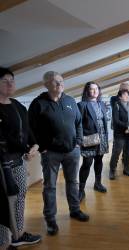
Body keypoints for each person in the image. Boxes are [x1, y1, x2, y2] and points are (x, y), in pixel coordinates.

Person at [28, 71, 89, 236]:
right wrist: (41, 147)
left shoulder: (70, 101)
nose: (59, 83)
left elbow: (78, 123)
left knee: (73, 182)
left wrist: (78, 142)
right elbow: (31, 129)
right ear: (46, 85)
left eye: (61, 81)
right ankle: (50, 219)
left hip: (72, 151)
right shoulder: (38, 103)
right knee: (50, 187)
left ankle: (75, 210)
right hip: (51, 153)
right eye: (54, 81)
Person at [0, 67, 41, 248]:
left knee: (19, 198)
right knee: (8, 201)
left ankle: (16, 235)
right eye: (4, 81)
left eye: (12, 80)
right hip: (3, 165)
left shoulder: (17, 105)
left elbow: (27, 131)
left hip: (19, 161)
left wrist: (34, 146)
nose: (10, 84)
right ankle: (10, 237)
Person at [77, 82, 109, 202]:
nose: (95, 91)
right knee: (87, 163)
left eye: (96, 89)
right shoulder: (82, 105)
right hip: (89, 138)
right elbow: (78, 124)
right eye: (92, 89)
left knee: (99, 161)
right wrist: (80, 140)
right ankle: (81, 190)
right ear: (87, 91)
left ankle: (98, 183)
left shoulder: (101, 104)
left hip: (102, 138)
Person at [109, 89, 129, 180]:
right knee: (116, 152)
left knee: (128, 152)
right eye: (125, 95)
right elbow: (116, 120)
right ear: (120, 97)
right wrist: (126, 126)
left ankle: (126, 169)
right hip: (120, 133)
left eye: (127, 95)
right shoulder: (117, 105)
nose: (127, 96)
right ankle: (112, 170)